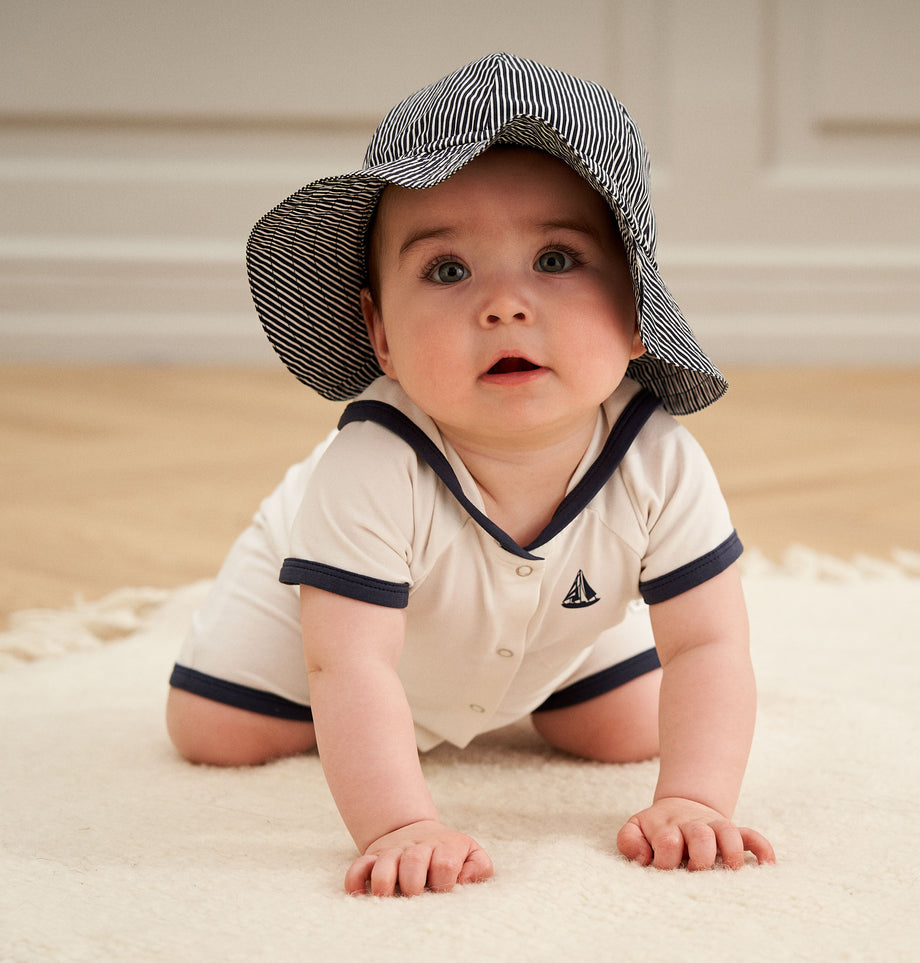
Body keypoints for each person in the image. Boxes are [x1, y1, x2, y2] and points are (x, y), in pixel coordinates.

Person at [165, 53, 774, 897]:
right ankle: (390, 722)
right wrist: (400, 823)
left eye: (555, 260)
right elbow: (352, 666)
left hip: (545, 623)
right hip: (334, 621)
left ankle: (503, 693)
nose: (504, 304)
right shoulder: (372, 464)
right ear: (379, 334)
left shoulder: (656, 455)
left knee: (633, 728)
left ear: (638, 307)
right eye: (447, 271)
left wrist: (693, 797)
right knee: (212, 730)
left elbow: (708, 641)